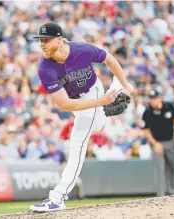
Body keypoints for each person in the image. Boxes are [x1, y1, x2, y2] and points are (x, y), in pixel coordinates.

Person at [29, 22, 134, 212]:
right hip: (78, 103)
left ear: (60, 40)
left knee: (77, 143)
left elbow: (109, 59)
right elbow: (64, 104)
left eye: (46, 39)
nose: (42, 44)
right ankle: (107, 105)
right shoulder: (45, 68)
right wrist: (102, 103)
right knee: (97, 125)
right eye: (40, 40)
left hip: (92, 91)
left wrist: (126, 84)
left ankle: (57, 197)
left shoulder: (81, 49)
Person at [141, 88, 174, 197]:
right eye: (151, 99)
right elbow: (145, 130)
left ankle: (173, 192)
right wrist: (155, 143)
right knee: (160, 169)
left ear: (160, 98)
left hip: (170, 141)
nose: (152, 101)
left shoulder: (169, 106)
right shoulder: (148, 111)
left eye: (154, 98)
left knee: (172, 166)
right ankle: (161, 196)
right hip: (157, 143)